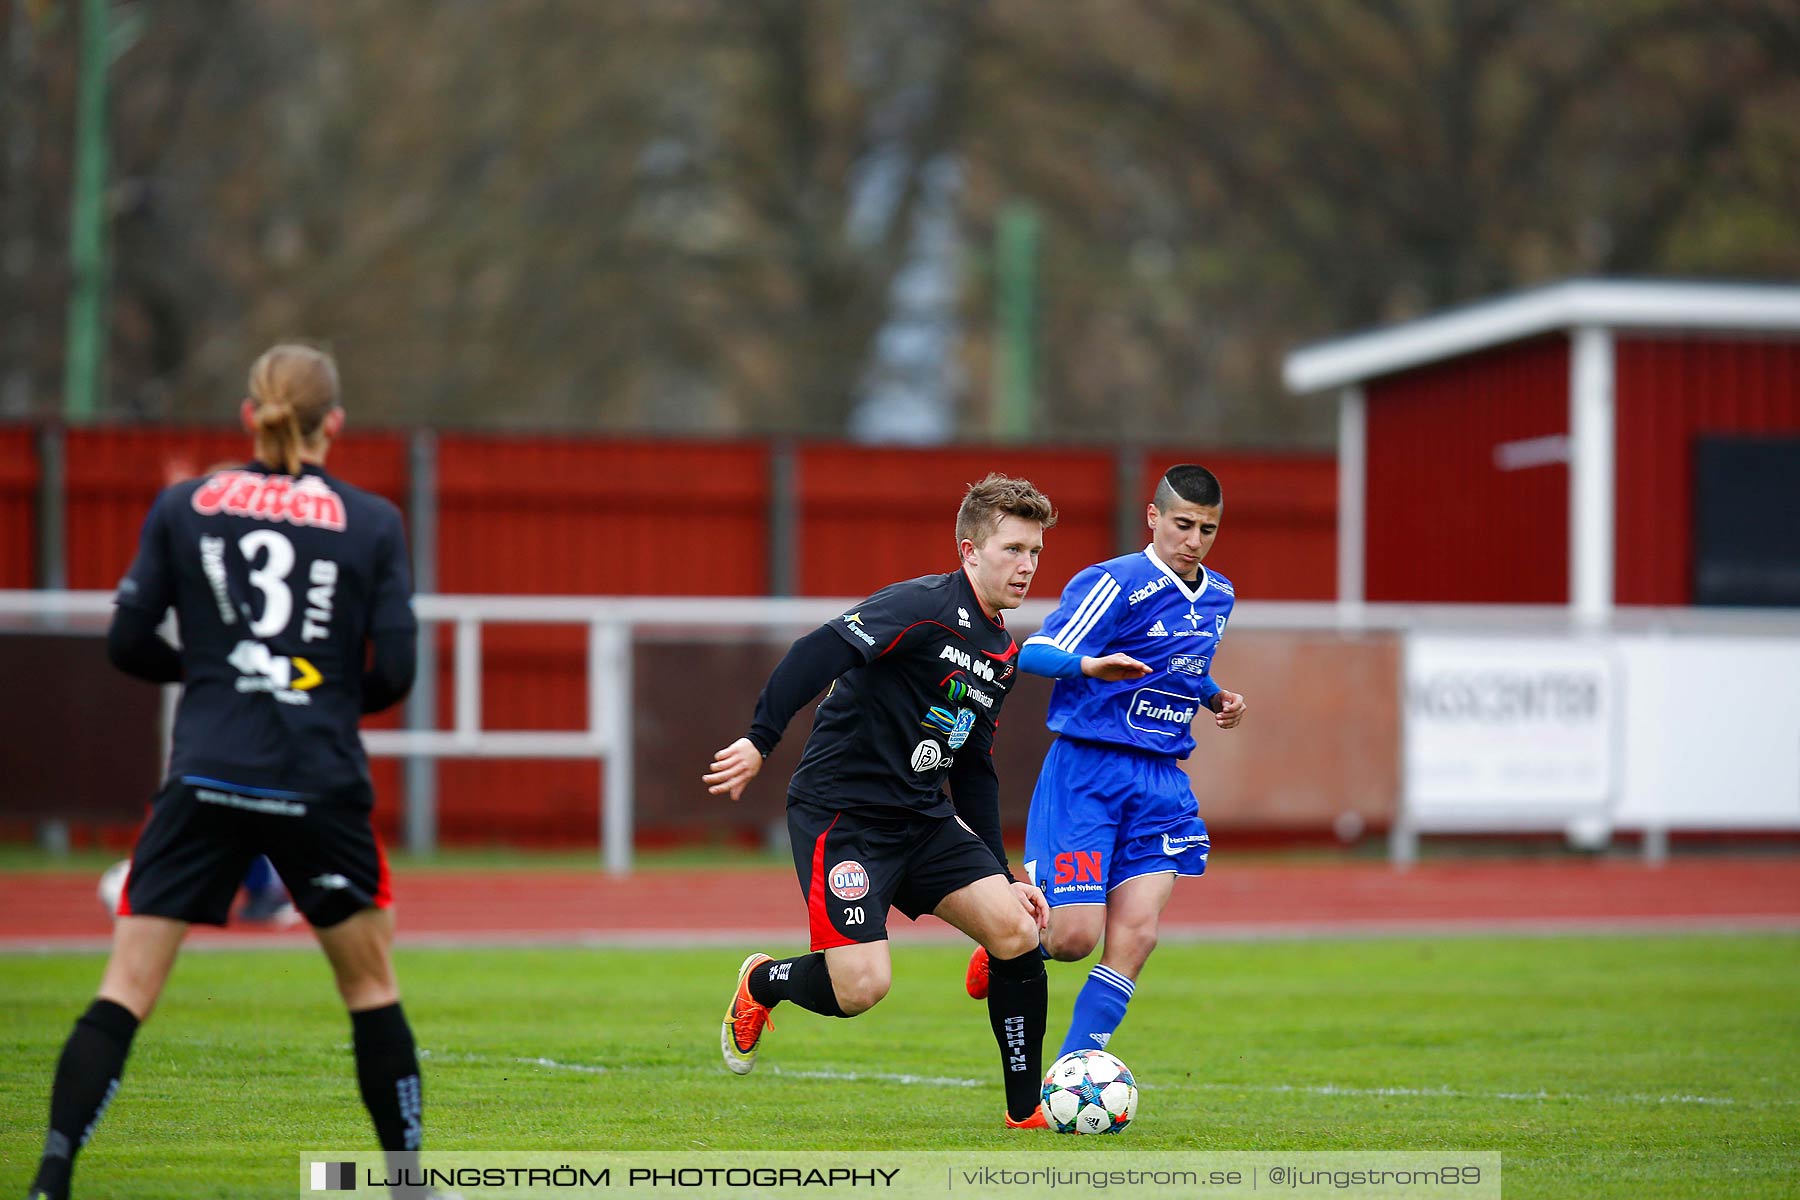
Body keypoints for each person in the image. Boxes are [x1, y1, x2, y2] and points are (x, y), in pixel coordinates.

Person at [26, 345, 434, 1200]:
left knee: (125, 989)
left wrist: (215, 676)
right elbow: (394, 673)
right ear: (336, 425)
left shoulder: (185, 504)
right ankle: (405, 1186)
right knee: (370, 986)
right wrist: (309, 700)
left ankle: (50, 1179)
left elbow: (128, 642)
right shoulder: (372, 523)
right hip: (315, 776)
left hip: (207, 771)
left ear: (250, 417)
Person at [703, 473, 1058, 1128]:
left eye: (1035, 551)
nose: (1027, 565)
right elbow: (817, 650)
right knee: (862, 987)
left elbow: (974, 768)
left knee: (1018, 928)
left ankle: (1025, 1111)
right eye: (1013, 549)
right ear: (969, 552)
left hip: (921, 817)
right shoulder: (920, 607)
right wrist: (760, 740)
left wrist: (1004, 875)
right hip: (845, 817)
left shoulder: (1003, 652)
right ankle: (762, 983)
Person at [965, 464, 1246, 1062]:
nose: (1194, 539)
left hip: (1162, 783)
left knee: (1137, 935)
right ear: (1153, 517)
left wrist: (1215, 696)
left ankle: (1072, 1072)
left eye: (1208, 529)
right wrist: (1091, 666)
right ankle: (1008, 941)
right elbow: (1037, 650)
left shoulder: (1220, 594)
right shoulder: (1116, 582)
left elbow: (1181, 664)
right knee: (1072, 939)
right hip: (1089, 775)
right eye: (1183, 524)